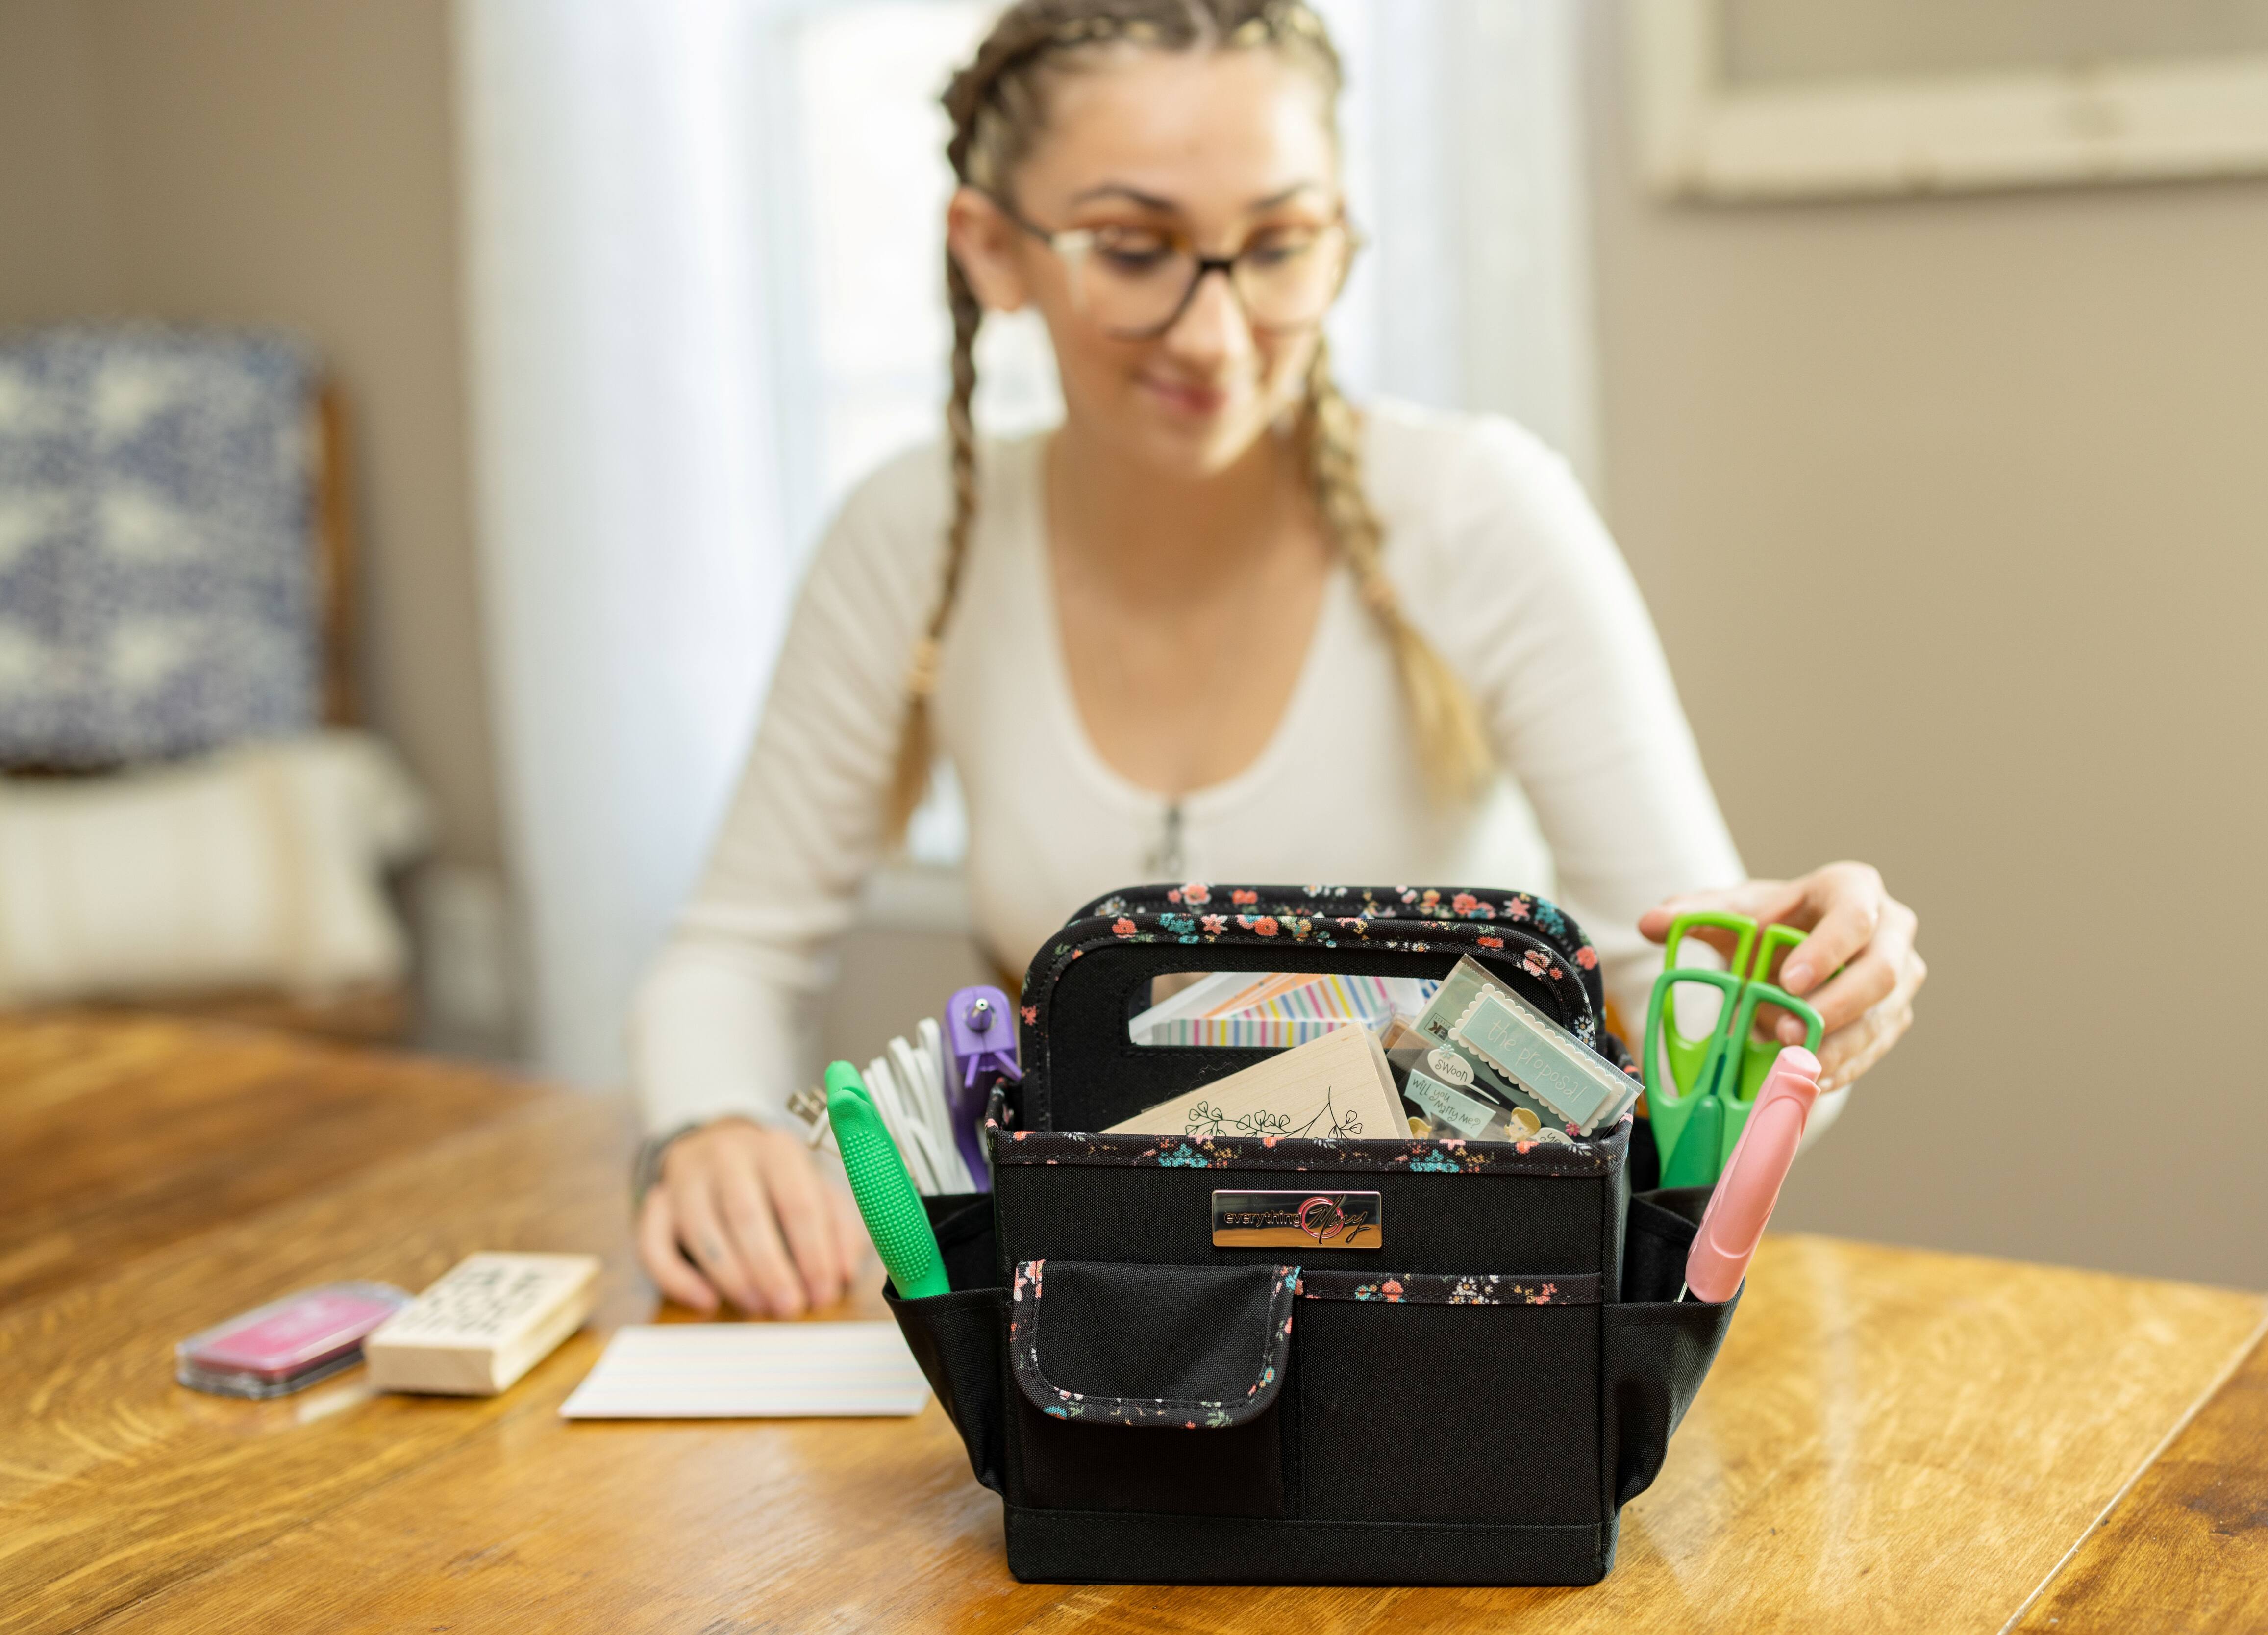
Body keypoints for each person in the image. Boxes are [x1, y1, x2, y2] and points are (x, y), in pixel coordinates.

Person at [628, 0, 1926, 1318]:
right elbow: (731, 951)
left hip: (1441, 1334)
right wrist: (709, 1126)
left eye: (1281, 245)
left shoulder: (1478, 515)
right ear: (991, 250)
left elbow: (1675, 1017)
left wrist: (1794, 1018)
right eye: (1135, 251)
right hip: (1101, 1323)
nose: (1215, 333)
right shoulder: (910, 536)